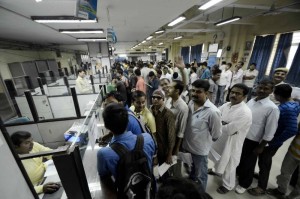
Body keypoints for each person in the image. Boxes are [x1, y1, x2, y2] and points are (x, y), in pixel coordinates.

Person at [247, 84, 300, 196]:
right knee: (263, 161)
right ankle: (260, 178)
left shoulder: (287, 108)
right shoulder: (293, 104)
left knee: (264, 162)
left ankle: (261, 187)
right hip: (271, 139)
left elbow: (292, 129)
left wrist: (274, 140)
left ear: (278, 95)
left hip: (271, 141)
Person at [97, 103, 156, 191]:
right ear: (128, 121)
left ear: (106, 126)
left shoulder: (104, 154)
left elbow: (104, 176)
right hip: (149, 190)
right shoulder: (147, 138)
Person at [236, 79, 280, 194]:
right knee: (240, 159)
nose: (261, 90)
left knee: (248, 164)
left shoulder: (272, 108)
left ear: (271, 91)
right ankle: (239, 175)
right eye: (260, 87)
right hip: (243, 136)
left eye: (266, 89)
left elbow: (270, 130)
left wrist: (261, 146)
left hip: (254, 140)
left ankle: (244, 183)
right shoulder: (251, 101)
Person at [210, 83, 252, 194]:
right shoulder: (227, 105)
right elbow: (215, 116)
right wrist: (223, 123)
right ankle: (216, 170)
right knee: (218, 156)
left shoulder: (245, 112)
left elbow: (230, 129)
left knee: (230, 163)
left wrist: (221, 123)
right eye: (232, 92)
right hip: (221, 138)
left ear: (244, 97)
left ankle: (228, 185)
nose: (233, 95)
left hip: (233, 142)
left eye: (238, 93)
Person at [182, 79, 222, 190]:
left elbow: (216, 134)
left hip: (200, 152)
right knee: (191, 172)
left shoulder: (213, 112)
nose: (194, 94)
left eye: (198, 91)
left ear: (207, 93)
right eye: (193, 90)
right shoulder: (190, 103)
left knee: (201, 177)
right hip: (186, 148)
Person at [267, 122, 300, 199]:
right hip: (293, 151)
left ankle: (292, 197)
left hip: (293, 151)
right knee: (285, 172)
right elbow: (295, 129)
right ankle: (281, 190)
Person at [165, 80, 189, 177]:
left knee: (175, 163)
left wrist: (176, 150)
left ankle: (177, 181)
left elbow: (181, 131)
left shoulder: (183, 108)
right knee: (167, 162)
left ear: (177, 91)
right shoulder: (169, 100)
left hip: (174, 140)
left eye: (170, 87)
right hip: (166, 137)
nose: (167, 88)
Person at [150, 89, 176, 169]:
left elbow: (171, 135)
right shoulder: (150, 110)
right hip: (153, 145)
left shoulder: (168, 114)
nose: (155, 99)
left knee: (164, 170)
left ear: (163, 99)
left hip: (163, 148)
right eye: (153, 97)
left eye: (158, 98)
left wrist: (169, 154)